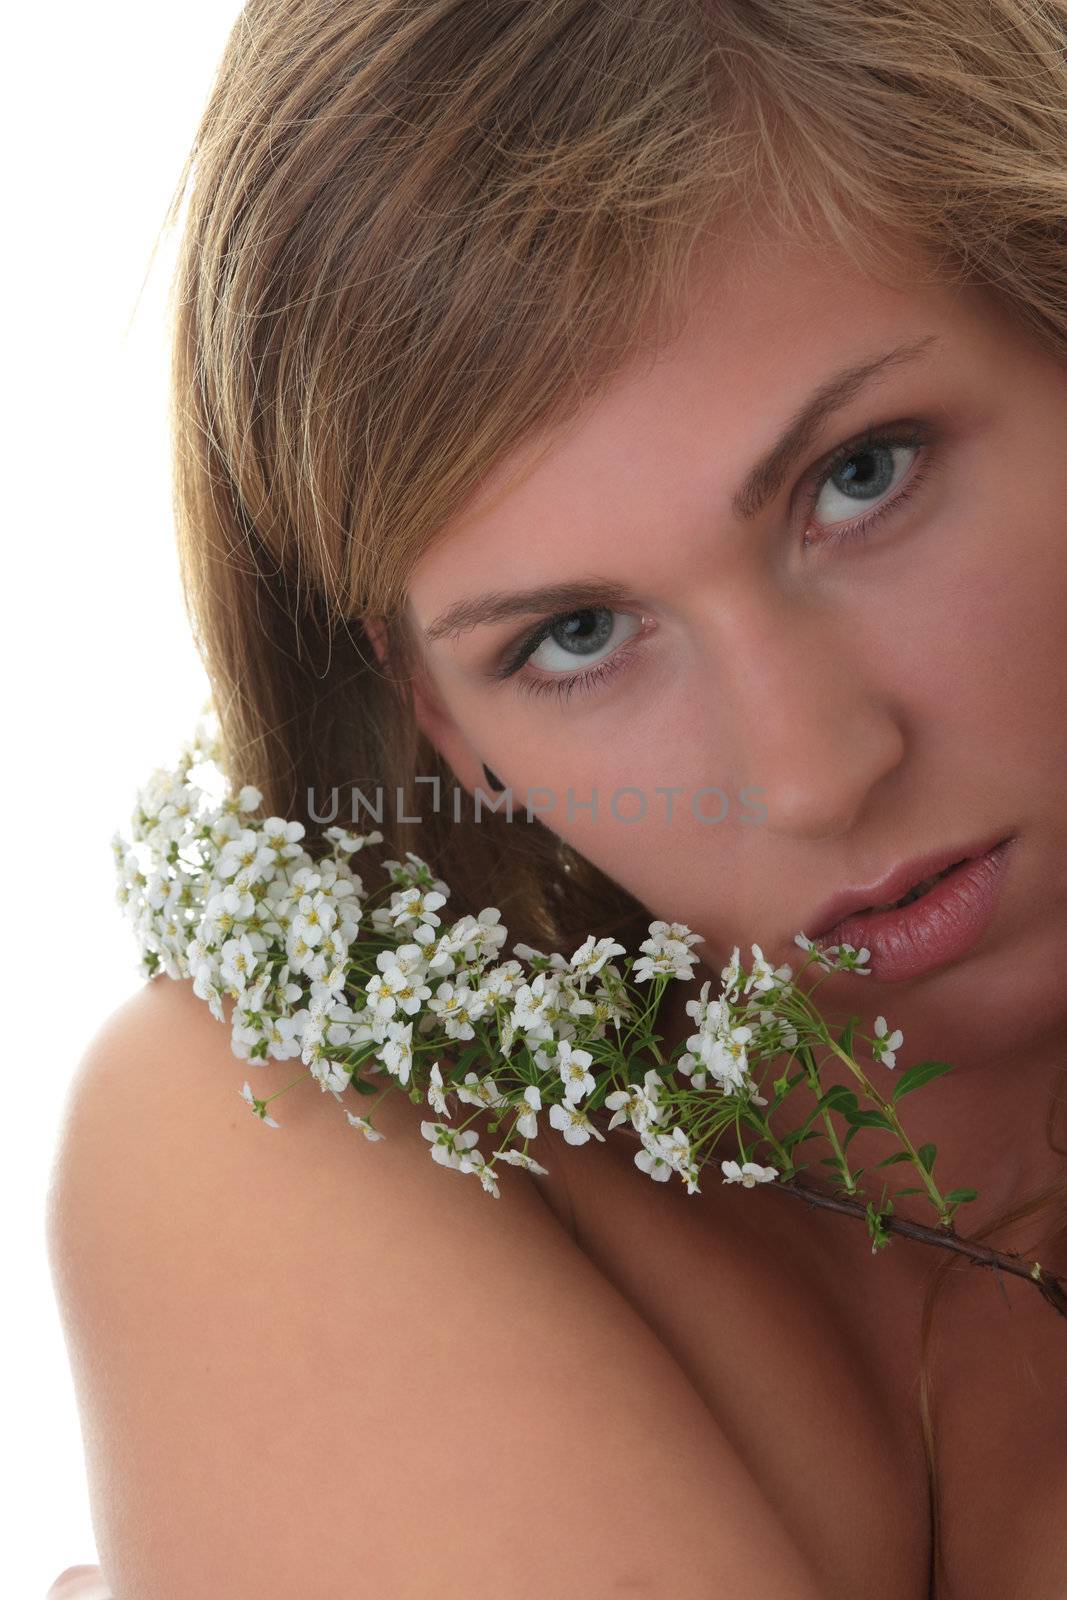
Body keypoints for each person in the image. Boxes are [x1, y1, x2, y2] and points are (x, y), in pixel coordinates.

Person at [45, 2, 1067, 1596]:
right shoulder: (293, 1124)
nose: (812, 769)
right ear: (439, 721)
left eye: (862, 478)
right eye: (574, 638)